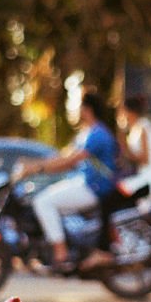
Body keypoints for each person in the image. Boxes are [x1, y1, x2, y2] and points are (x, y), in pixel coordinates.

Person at [15, 92, 119, 271]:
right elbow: (63, 158)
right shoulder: (86, 133)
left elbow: (71, 160)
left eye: (80, 107)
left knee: (43, 202)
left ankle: (60, 252)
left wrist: (36, 168)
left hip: (95, 187)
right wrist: (35, 166)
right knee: (46, 195)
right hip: (83, 182)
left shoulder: (97, 134)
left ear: (87, 110)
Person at [83, 95, 151, 269]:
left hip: (149, 182)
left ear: (129, 112)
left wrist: (124, 148)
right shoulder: (137, 129)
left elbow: (144, 158)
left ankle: (104, 249)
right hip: (143, 180)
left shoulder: (143, 127)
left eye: (122, 111)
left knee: (108, 201)